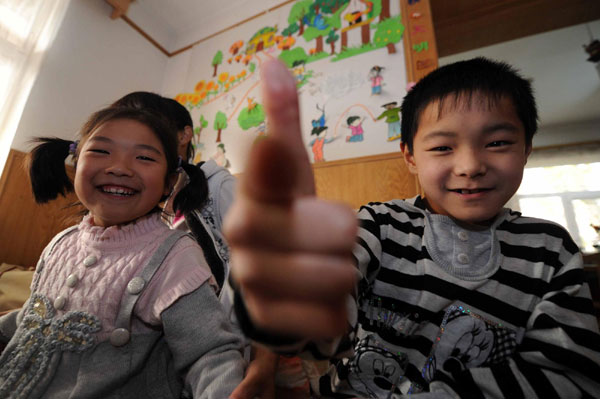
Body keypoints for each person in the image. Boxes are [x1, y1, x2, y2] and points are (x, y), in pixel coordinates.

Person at [223, 58, 600, 398]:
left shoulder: (550, 248)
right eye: (442, 148)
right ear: (410, 157)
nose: (470, 165)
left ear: (527, 148)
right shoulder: (378, 224)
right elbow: (324, 333)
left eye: (498, 142)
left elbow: (572, 378)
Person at [0, 106, 244, 398]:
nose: (119, 167)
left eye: (144, 157)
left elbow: (210, 356)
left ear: (170, 182)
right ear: (75, 162)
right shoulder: (61, 242)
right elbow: (37, 316)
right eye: (101, 151)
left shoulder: (175, 257)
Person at [111, 92, 288, 399]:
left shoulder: (219, 186)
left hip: (227, 343)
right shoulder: (147, 200)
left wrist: (263, 362)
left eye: (150, 123)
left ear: (184, 134)